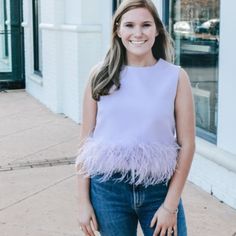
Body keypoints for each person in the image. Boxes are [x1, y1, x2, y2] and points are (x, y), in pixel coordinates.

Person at [75, 0, 195, 235]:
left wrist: (170, 206)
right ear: (118, 30)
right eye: (129, 25)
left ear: (157, 29)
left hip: (159, 188)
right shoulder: (99, 75)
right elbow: (85, 144)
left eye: (146, 25)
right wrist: (82, 201)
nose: (137, 33)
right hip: (108, 189)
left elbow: (188, 145)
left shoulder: (175, 77)